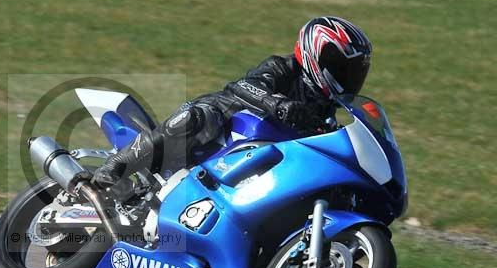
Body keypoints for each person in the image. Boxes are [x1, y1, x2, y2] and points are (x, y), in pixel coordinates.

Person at [92, 16, 373, 188]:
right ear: (314, 53)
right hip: (223, 128)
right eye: (338, 65)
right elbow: (245, 86)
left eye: (353, 71)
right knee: (199, 118)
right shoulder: (282, 68)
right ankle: (117, 164)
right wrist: (277, 104)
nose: (345, 77)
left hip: (256, 165)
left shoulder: (325, 114)